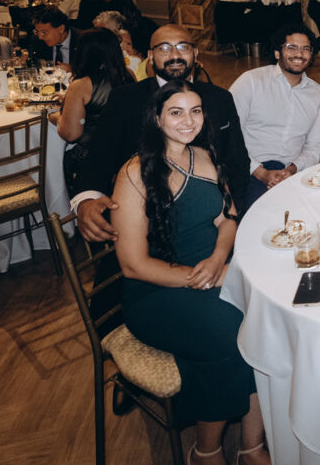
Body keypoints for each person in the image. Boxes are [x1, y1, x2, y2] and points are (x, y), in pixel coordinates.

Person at [111, 81, 270, 465]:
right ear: (157, 118)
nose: (188, 120)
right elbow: (133, 264)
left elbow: (228, 217)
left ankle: (251, 447)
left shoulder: (204, 156)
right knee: (231, 336)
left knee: (268, 324)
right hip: (156, 291)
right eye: (176, 112)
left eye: (195, 111)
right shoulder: (134, 174)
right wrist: (200, 277)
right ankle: (205, 451)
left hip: (210, 272)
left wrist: (217, 259)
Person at [74, 25, 251, 243]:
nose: (175, 55)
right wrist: (86, 200)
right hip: (146, 222)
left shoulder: (220, 98)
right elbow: (99, 156)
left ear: (195, 53)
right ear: (150, 55)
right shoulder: (125, 99)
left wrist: (231, 216)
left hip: (214, 215)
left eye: (183, 47)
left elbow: (237, 161)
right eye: (164, 48)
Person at [229, 24, 320, 209]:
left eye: (306, 49)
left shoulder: (318, 94)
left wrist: (293, 169)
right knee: (265, 212)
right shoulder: (251, 82)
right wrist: (260, 172)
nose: (299, 54)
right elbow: (229, 135)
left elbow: (317, 145)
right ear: (277, 53)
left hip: (294, 170)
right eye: (292, 47)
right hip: (250, 168)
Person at [53, 29, 134, 193]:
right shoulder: (128, 75)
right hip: (124, 154)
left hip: (91, 159)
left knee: (54, 161)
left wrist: (56, 116)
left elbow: (71, 134)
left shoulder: (81, 85)